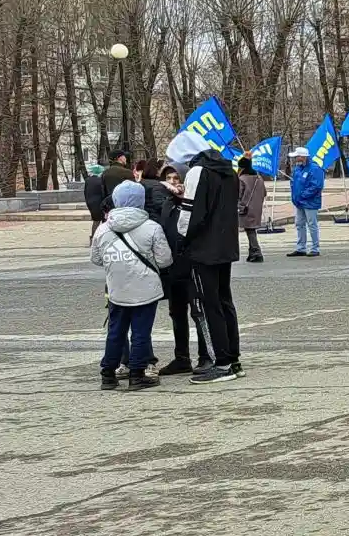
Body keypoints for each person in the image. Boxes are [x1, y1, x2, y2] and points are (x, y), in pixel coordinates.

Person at [89, 181, 172, 391]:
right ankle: (137, 374)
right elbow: (165, 260)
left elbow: (96, 259)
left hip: (116, 289)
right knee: (141, 333)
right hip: (146, 289)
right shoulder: (152, 227)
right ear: (141, 201)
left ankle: (108, 374)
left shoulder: (103, 228)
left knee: (115, 332)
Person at [175, 144, 243, 383]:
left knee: (207, 305)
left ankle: (221, 363)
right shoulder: (230, 172)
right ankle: (233, 358)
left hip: (203, 248)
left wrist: (181, 240)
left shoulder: (198, 172)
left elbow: (189, 213)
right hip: (226, 246)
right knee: (225, 301)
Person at [143, 164, 207, 376]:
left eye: (177, 178)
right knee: (177, 313)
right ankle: (182, 358)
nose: (173, 183)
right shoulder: (167, 205)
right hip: (173, 269)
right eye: (169, 178)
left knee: (199, 313)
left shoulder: (196, 204)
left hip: (194, 268)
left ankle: (206, 356)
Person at [288, 147, 324, 257]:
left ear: (303, 157)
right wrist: (295, 197)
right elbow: (294, 183)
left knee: (312, 224)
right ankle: (301, 248)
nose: (295, 159)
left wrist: (303, 195)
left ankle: (315, 248)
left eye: (296, 157)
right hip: (299, 202)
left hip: (310, 202)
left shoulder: (315, 169)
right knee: (299, 224)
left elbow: (316, 186)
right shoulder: (298, 169)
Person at [236, 156, 267, 263]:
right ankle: (252, 253)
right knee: (251, 230)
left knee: (250, 230)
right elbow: (264, 193)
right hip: (257, 208)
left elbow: (238, 194)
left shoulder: (242, 179)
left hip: (245, 208)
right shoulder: (259, 178)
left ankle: (257, 252)